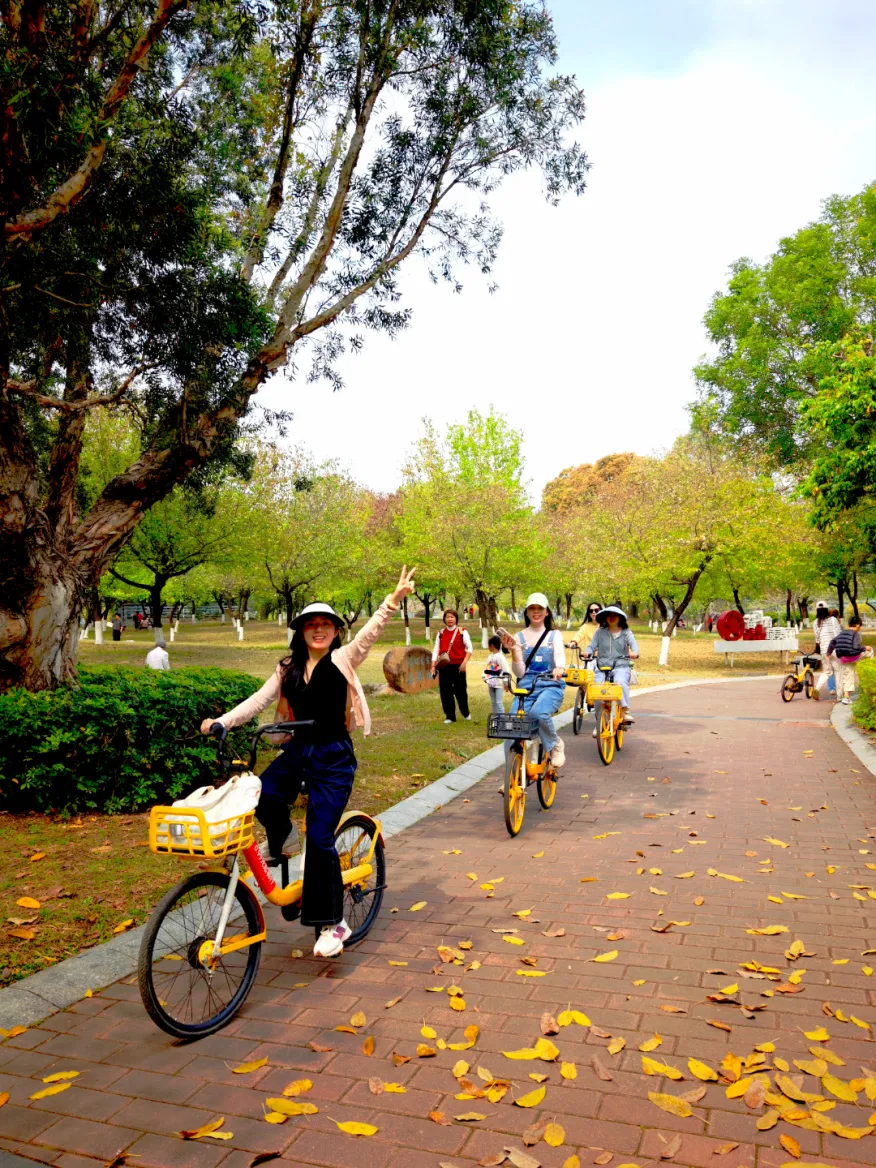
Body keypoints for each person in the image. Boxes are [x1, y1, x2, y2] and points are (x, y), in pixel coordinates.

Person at [201, 566, 416, 959]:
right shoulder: (287, 668)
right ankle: (283, 835)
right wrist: (223, 722)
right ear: (301, 631)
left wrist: (392, 601)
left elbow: (370, 633)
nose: (319, 630)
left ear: (335, 631)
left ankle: (334, 923)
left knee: (319, 838)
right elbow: (259, 701)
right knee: (262, 795)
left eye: (326, 625)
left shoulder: (344, 658)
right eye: (311, 625)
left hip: (334, 759)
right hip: (299, 752)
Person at [499, 593, 567, 768]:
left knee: (538, 713)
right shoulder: (519, 637)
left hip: (550, 684)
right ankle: (512, 772)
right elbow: (520, 672)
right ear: (527, 612)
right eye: (532, 608)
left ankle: (555, 744)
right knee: (511, 726)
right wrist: (514, 651)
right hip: (526, 686)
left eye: (540, 608)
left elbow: (559, 656)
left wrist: (559, 668)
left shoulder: (554, 635)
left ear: (547, 612)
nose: (536, 612)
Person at [584, 606, 639, 735]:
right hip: (602, 668)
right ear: (604, 618)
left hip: (621, 666)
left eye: (614, 615)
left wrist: (634, 652)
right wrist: (588, 652)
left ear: (620, 618)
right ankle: (600, 723)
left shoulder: (626, 632)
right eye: (608, 615)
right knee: (597, 691)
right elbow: (591, 646)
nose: (611, 617)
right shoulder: (600, 632)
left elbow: (634, 646)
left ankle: (625, 710)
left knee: (620, 682)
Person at [432, 609, 473, 723]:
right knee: (445, 692)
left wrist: (464, 663)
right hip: (444, 666)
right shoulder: (441, 633)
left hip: (458, 666)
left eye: (452, 617)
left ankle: (465, 712)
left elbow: (470, 648)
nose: (450, 619)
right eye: (447, 617)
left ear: (456, 619)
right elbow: (436, 649)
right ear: (444, 619)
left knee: (460, 691)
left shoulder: (462, 632)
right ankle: (450, 716)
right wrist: (433, 665)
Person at [827, 615, 869, 704]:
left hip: (843, 659)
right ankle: (870, 667)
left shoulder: (841, 633)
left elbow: (832, 642)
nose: (860, 628)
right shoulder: (856, 634)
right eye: (860, 626)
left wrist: (828, 653)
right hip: (853, 656)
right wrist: (865, 648)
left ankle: (846, 697)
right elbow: (856, 647)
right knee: (870, 650)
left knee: (848, 675)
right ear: (857, 625)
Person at [812, 601, 842, 701]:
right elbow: (838, 634)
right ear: (826, 609)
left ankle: (817, 688)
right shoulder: (833, 619)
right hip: (834, 649)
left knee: (826, 672)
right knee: (838, 671)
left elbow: (817, 639)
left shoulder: (815, 622)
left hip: (824, 651)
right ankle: (840, 696)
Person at [483, 634, 507, 717]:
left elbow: (506, 670)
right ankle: (495, 720)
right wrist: (485, 677)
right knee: (493, 703)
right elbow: (487, 668)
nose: (488, 647)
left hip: (499, 684)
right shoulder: (490, 657)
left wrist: (506, 682)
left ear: (492, 646)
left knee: (499, 703)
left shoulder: (501, 658)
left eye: (488, 645)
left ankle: (502, 721)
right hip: (491, 683)